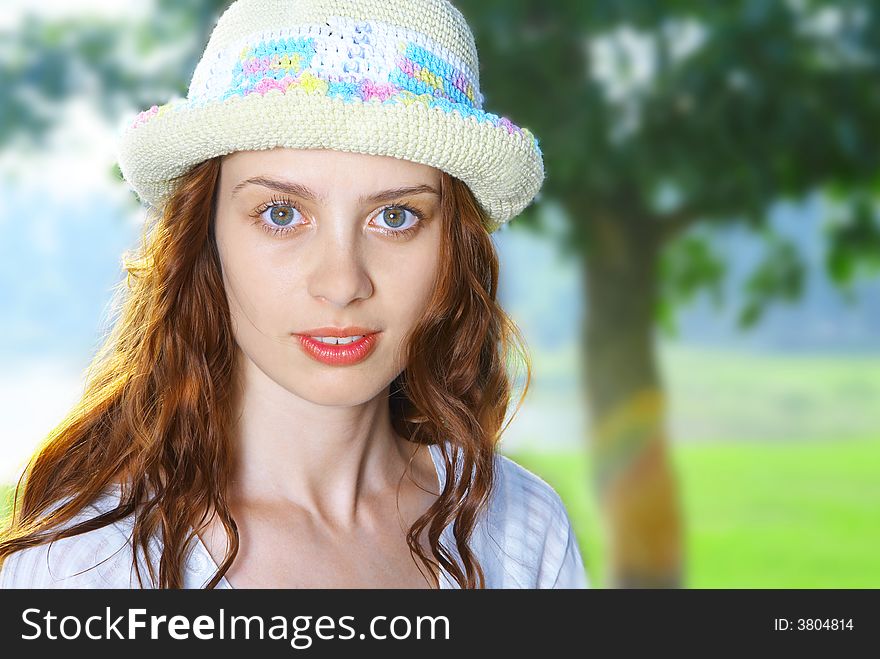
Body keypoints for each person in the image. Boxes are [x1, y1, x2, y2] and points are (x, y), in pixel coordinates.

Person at [0, 0, 589, 589]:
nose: (341, 284)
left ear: (452, 249)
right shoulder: (82, 567)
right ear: (206, 236)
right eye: (282, 213)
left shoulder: (524, 530)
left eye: (396, 215)